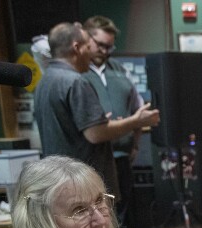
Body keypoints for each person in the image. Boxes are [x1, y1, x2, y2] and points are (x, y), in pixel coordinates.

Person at [34, 22, 159, 197]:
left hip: (61, 179)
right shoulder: (76, 82)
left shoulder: (46, 80)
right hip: (84, 182)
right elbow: (96, 134)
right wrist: (136, 121)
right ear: (76, 48)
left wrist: (99, 121)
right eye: (88, 47)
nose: (91, 53)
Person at [83, 15, 145, 228]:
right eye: (100, 45)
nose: (105, 51)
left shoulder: (120, 70)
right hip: (91, 160)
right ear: (86, 38)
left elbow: (139, 110)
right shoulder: (77, 72)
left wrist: (135, 144)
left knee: (122, 218)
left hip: (121, 158)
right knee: (98, 220)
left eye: (110, 46)